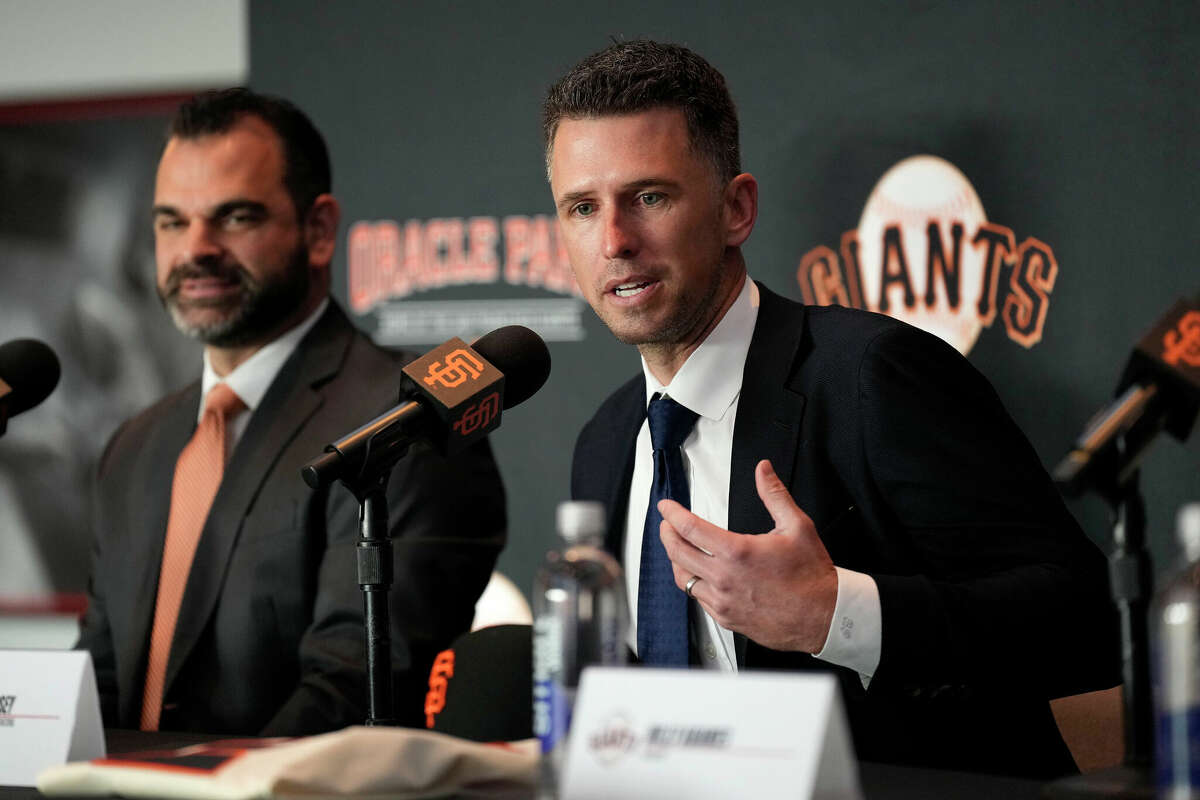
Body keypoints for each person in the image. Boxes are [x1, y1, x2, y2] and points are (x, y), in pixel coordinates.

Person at [546, 40, 1119, 777]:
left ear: (736, 208)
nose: (615, 241)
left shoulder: (869, 376)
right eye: (583, 208)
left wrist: (838, 614)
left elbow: (1082, 620)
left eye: (650, 197)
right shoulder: (605, 441)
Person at [77, 89, 506, 735]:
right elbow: (98, 681)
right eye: (172, 221)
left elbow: (355, 685)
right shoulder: (134, 447)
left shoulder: (402, 420)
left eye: (236, 217)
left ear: (319, 230)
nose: (197, 248)